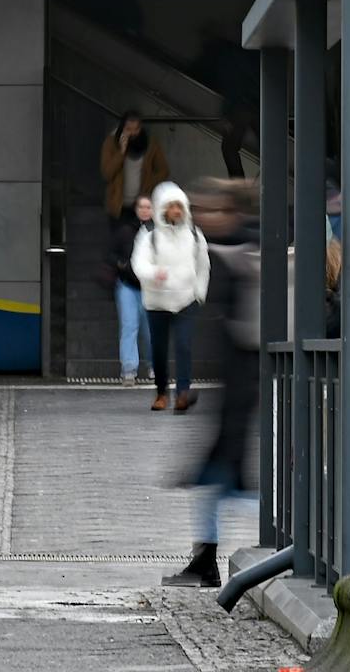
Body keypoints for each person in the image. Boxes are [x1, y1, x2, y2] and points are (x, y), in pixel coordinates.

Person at [164, 180, 260, 589]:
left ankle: (207, 561)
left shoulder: (241, 255)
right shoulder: (231, 252)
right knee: (220, 483)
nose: (203, 216)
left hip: (245, 387)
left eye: (212, 209)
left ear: (233, 212)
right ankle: (204, 560)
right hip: (235, 385)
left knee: (234, 484)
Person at [133, 180, 208, 413]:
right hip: (156, 302)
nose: (176, 211)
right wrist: (154, 274)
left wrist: (199, 293)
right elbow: (139, 263)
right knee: (159, 349)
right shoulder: (149, 236)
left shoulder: (194, 235)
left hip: (186, 299)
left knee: (184, 346)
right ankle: (161, 392)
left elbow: (203, 265)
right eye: (171, 206)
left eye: (179, 206)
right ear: (162, 208)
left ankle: (183, 393)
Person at [111, 191, 154, 384]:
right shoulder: (125, 231)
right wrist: (122, 265)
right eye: (141, 207)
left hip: (150, 287)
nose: (145, 210)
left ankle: (154, 365)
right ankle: (129, 370)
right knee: (130, 326)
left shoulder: (159, 233)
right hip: (128, 285)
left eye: (148, 207)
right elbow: (110, 254)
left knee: (150, 330)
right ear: (136, 210)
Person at [101, 112, 168, 220]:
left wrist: (148, 183)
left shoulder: (150, 143)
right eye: (128, 129)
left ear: (140, 129)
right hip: (118, 204)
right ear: (122, 128)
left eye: (136, 129)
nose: (132, 133)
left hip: (142, 205)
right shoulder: (111, 142)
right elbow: (107, 174)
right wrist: (121, 152)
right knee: (124, 234)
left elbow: (164, 170)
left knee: (142, 235)